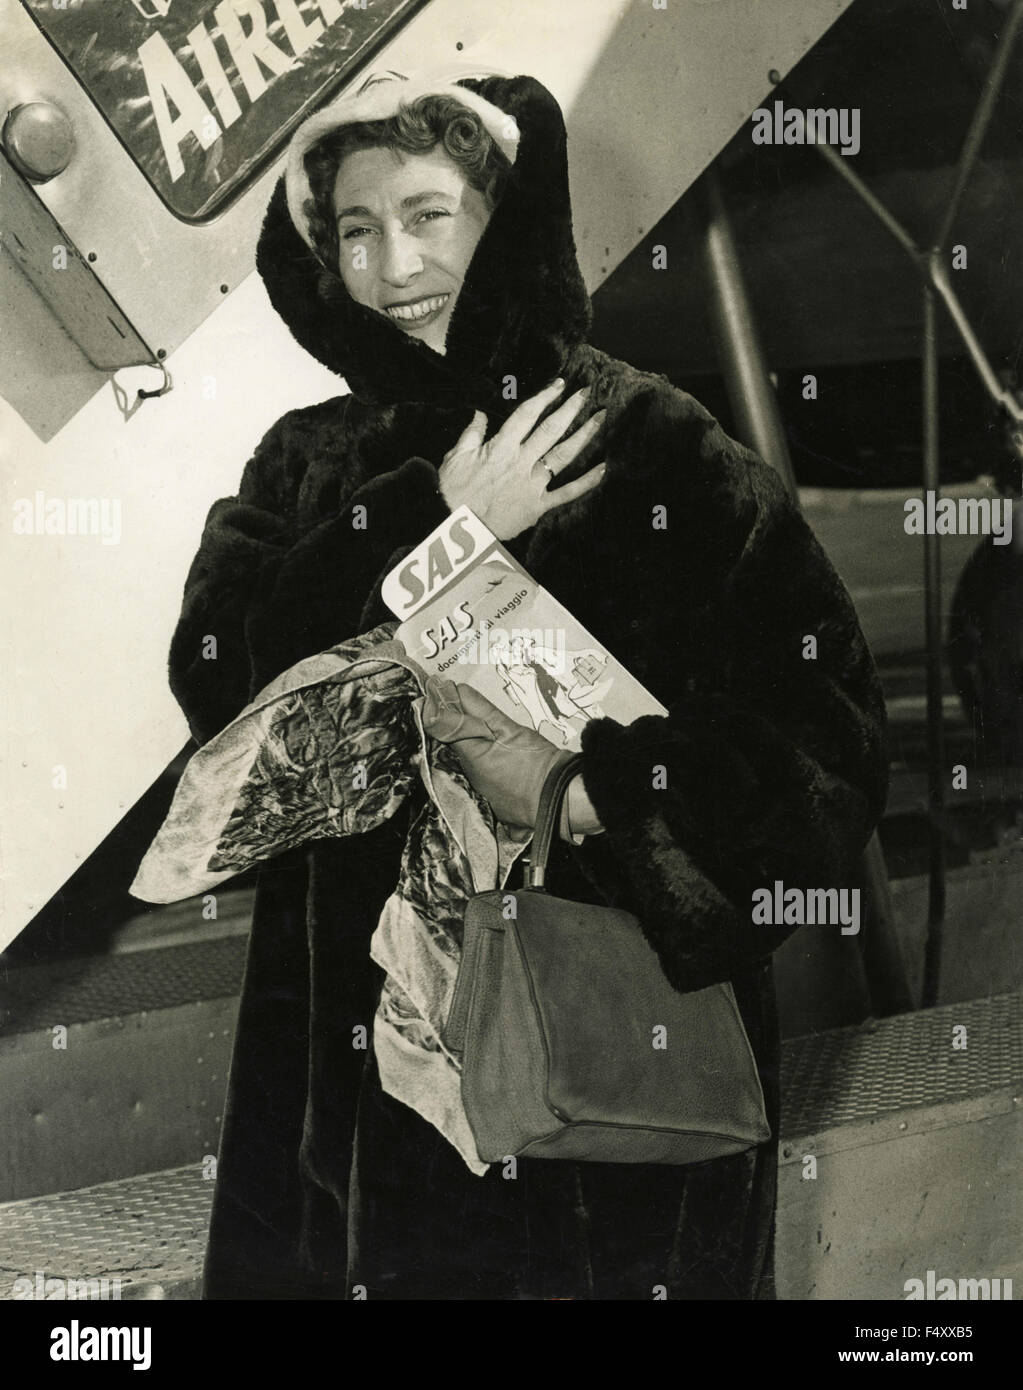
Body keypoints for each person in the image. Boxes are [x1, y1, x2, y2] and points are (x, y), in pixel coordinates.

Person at [168, 71, 888, 1300]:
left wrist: (587, 794)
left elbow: (823, 763)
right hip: (342, 1129)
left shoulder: (657, 447)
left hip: (608, 1144)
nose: (393, 264)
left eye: (428, 213)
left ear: (503, 220)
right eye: (355, 228)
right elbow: (224, 690)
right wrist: (439, 528)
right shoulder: (305, 464)